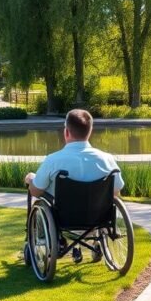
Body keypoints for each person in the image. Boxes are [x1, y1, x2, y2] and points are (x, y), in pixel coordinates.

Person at [24, 108, 124, 262]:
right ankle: (96, 242)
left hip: (65, 217)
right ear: (90, 132)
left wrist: (31, 180)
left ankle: (51, 240)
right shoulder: (107, 159)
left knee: (38, 191)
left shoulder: (53, 160)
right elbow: (116, 192)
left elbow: (36, 192)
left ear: (66, 132)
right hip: (98, 217)